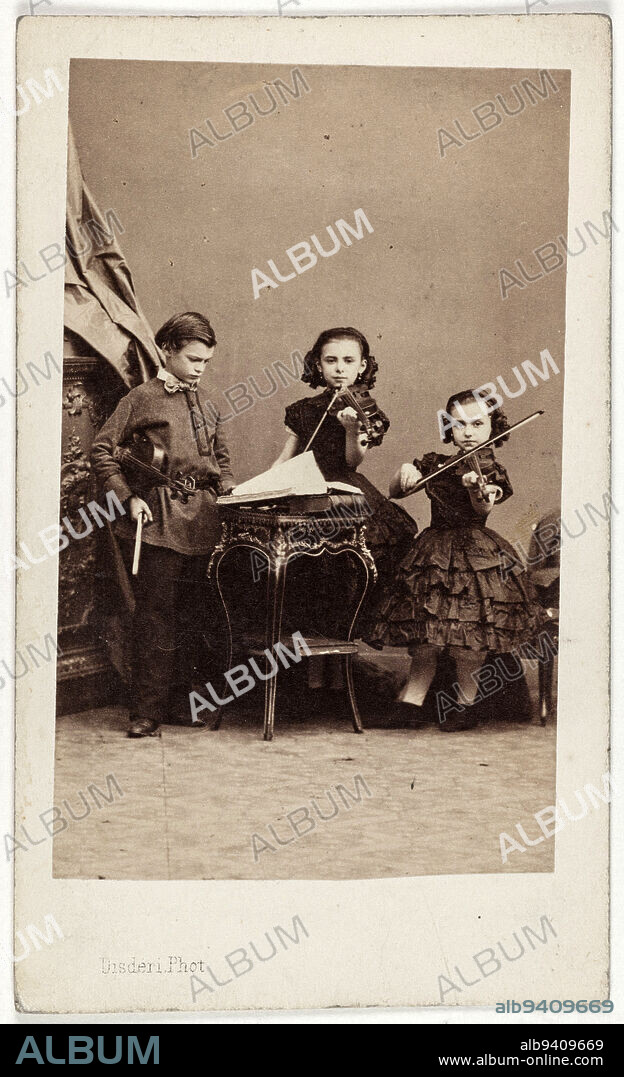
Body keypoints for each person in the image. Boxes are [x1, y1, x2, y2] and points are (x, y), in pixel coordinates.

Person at [91, 312, 235, 738]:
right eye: (192, 359)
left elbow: (221, 462)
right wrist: (128, 496)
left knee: (193, 616)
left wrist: (227, 486)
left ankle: (176, 703)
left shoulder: (208, 402)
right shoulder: (139, 398)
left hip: (203, 521)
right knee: (156, 617)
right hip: (158, 520)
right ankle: (146, 709)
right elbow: (102, 450)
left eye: (205, 362)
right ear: (166, 350)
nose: (199, 368)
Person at [370, 389, 544, 731]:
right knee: (426, 639)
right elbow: (396, 491)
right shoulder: (435, 463)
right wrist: (404, 472)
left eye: (477, 424)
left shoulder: (492, 469)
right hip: (434, 549)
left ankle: (466, 702)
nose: (468, 431)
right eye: (459, 424)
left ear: (493, 427)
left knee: (470, 642)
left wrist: (475, 489)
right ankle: (411, 703)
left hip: (477, 554)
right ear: (449, 427)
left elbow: (484, 507)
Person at [272, 326, 417, 649]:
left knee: (342, 577)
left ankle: (338, 674)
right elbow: (285, 458)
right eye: (331, 360)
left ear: (362, 366)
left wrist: (352, 429)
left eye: (348, 361)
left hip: (343, 490)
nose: (339, 368)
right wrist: (262, 488)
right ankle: (313, 677)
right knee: (308, 579)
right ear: (318, 365)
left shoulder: (364, 408)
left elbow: (353, 462)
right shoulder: (304, 409)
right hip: (305, 490)